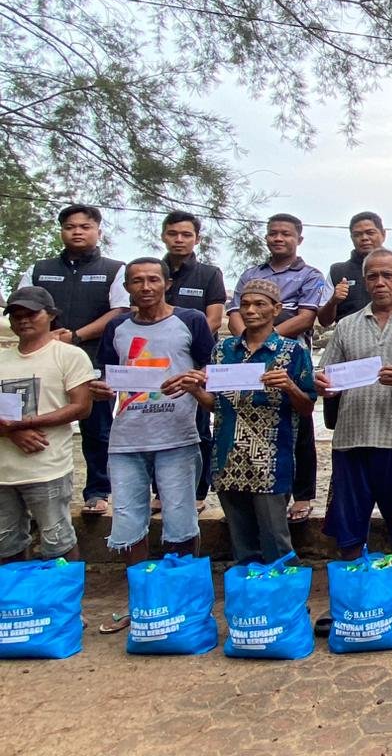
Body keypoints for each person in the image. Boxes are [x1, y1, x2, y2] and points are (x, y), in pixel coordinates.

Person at [313, 249, 392, 632]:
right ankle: (354, 594)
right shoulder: (348, 325)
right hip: (351, 438)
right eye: (373, 277)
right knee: (348, 523)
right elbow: (326, 377)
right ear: (364, 281)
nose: (380, 283)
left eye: (388, 275)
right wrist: (326, 386)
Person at [92, 258, 216, 633]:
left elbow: (213, 370)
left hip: (177, 435)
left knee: (180, 519)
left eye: (152, 280)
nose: (145, 287)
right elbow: (106, 375)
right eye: (136, 281)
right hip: (127, 438)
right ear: (127, 288)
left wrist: (197, 379)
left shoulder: (191, 321)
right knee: (129, 522)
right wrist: (99, 388)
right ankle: (143, 605)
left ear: (166, 284)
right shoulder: (117, 326)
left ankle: (180, 603)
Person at [194, 279, 316, 564]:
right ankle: (252, 601)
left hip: (270, 461)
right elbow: (217, 406)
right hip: (227, 458)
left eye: (259, 304)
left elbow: (307, 407)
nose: (251, 310)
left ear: (276, 309)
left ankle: (285, 601)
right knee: (242, 542)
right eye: (245, 304)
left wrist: (290, 387)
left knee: (276, 540)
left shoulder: (293, 352)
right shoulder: (223, 351)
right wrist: (195, 390)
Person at [18, 203, 129, 515]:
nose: (77, 232)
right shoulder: (39, 270)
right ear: (62, 231)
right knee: (38, 423)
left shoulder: (115, 269)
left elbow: (120, 312)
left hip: (93, 360)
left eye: (85, 227)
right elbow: (21, 308)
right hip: (42, 362)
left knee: (97, 428)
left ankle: (97, 491)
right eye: (70, 227)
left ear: (98, 231)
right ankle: (35, 494)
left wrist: (76, 336)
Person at [227, 213, 329, 524]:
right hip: (245, 357)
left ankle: (302, 496)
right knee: (245, 419)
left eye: (285, 233)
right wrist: (247, 341)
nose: (278, 238)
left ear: (299, 238)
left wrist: (267, 339)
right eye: (273, 233)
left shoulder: (310, 275)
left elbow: (307, 318)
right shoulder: (250, 273)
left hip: (291, 353)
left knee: (299, 425)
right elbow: (235, 312)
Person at [0, 287, 95, 564]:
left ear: (51, 315)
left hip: (47, 467)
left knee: (57, 539)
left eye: (31, 314)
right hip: (4, 472)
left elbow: (81, 407)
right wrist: (13, 430)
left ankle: (64, 602)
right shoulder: (2, 359)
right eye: (16, 315)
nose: (23, 320)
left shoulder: (69, 356)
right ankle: (15, 602)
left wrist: (25, 423)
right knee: (6, 542)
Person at [159, 210, 227, 512]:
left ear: (196, 239)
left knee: (199, 426)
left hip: (196, 359)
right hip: (156, 361)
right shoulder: (153, 271)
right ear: (164, 235)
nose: (179, 239)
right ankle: (159, 492)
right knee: (157, 421)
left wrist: (179, 337)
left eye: (186, 234)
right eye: (173, 233)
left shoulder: (209, 274)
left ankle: (198, 493)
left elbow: (213, 319)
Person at [316, 211, 392, 327]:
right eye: (357, 234)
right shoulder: (337, 271)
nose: (364, 238)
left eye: (370, 233)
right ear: (351, 238)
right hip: (348, 339)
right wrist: (333, 301)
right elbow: (324, 322)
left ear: (383, 234)